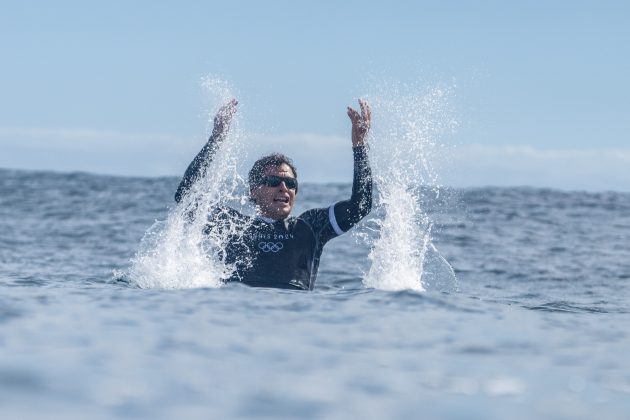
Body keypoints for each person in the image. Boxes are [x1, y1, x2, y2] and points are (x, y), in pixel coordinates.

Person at [174, 99, 372, 290]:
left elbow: (360, 206)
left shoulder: (311, 226)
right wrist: (215, 140)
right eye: (273, 182)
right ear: (254, 191)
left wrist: (360, 147)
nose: (283, 188)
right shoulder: (232, 225)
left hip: (296, 314)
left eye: (291, 183)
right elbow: (185, 197)